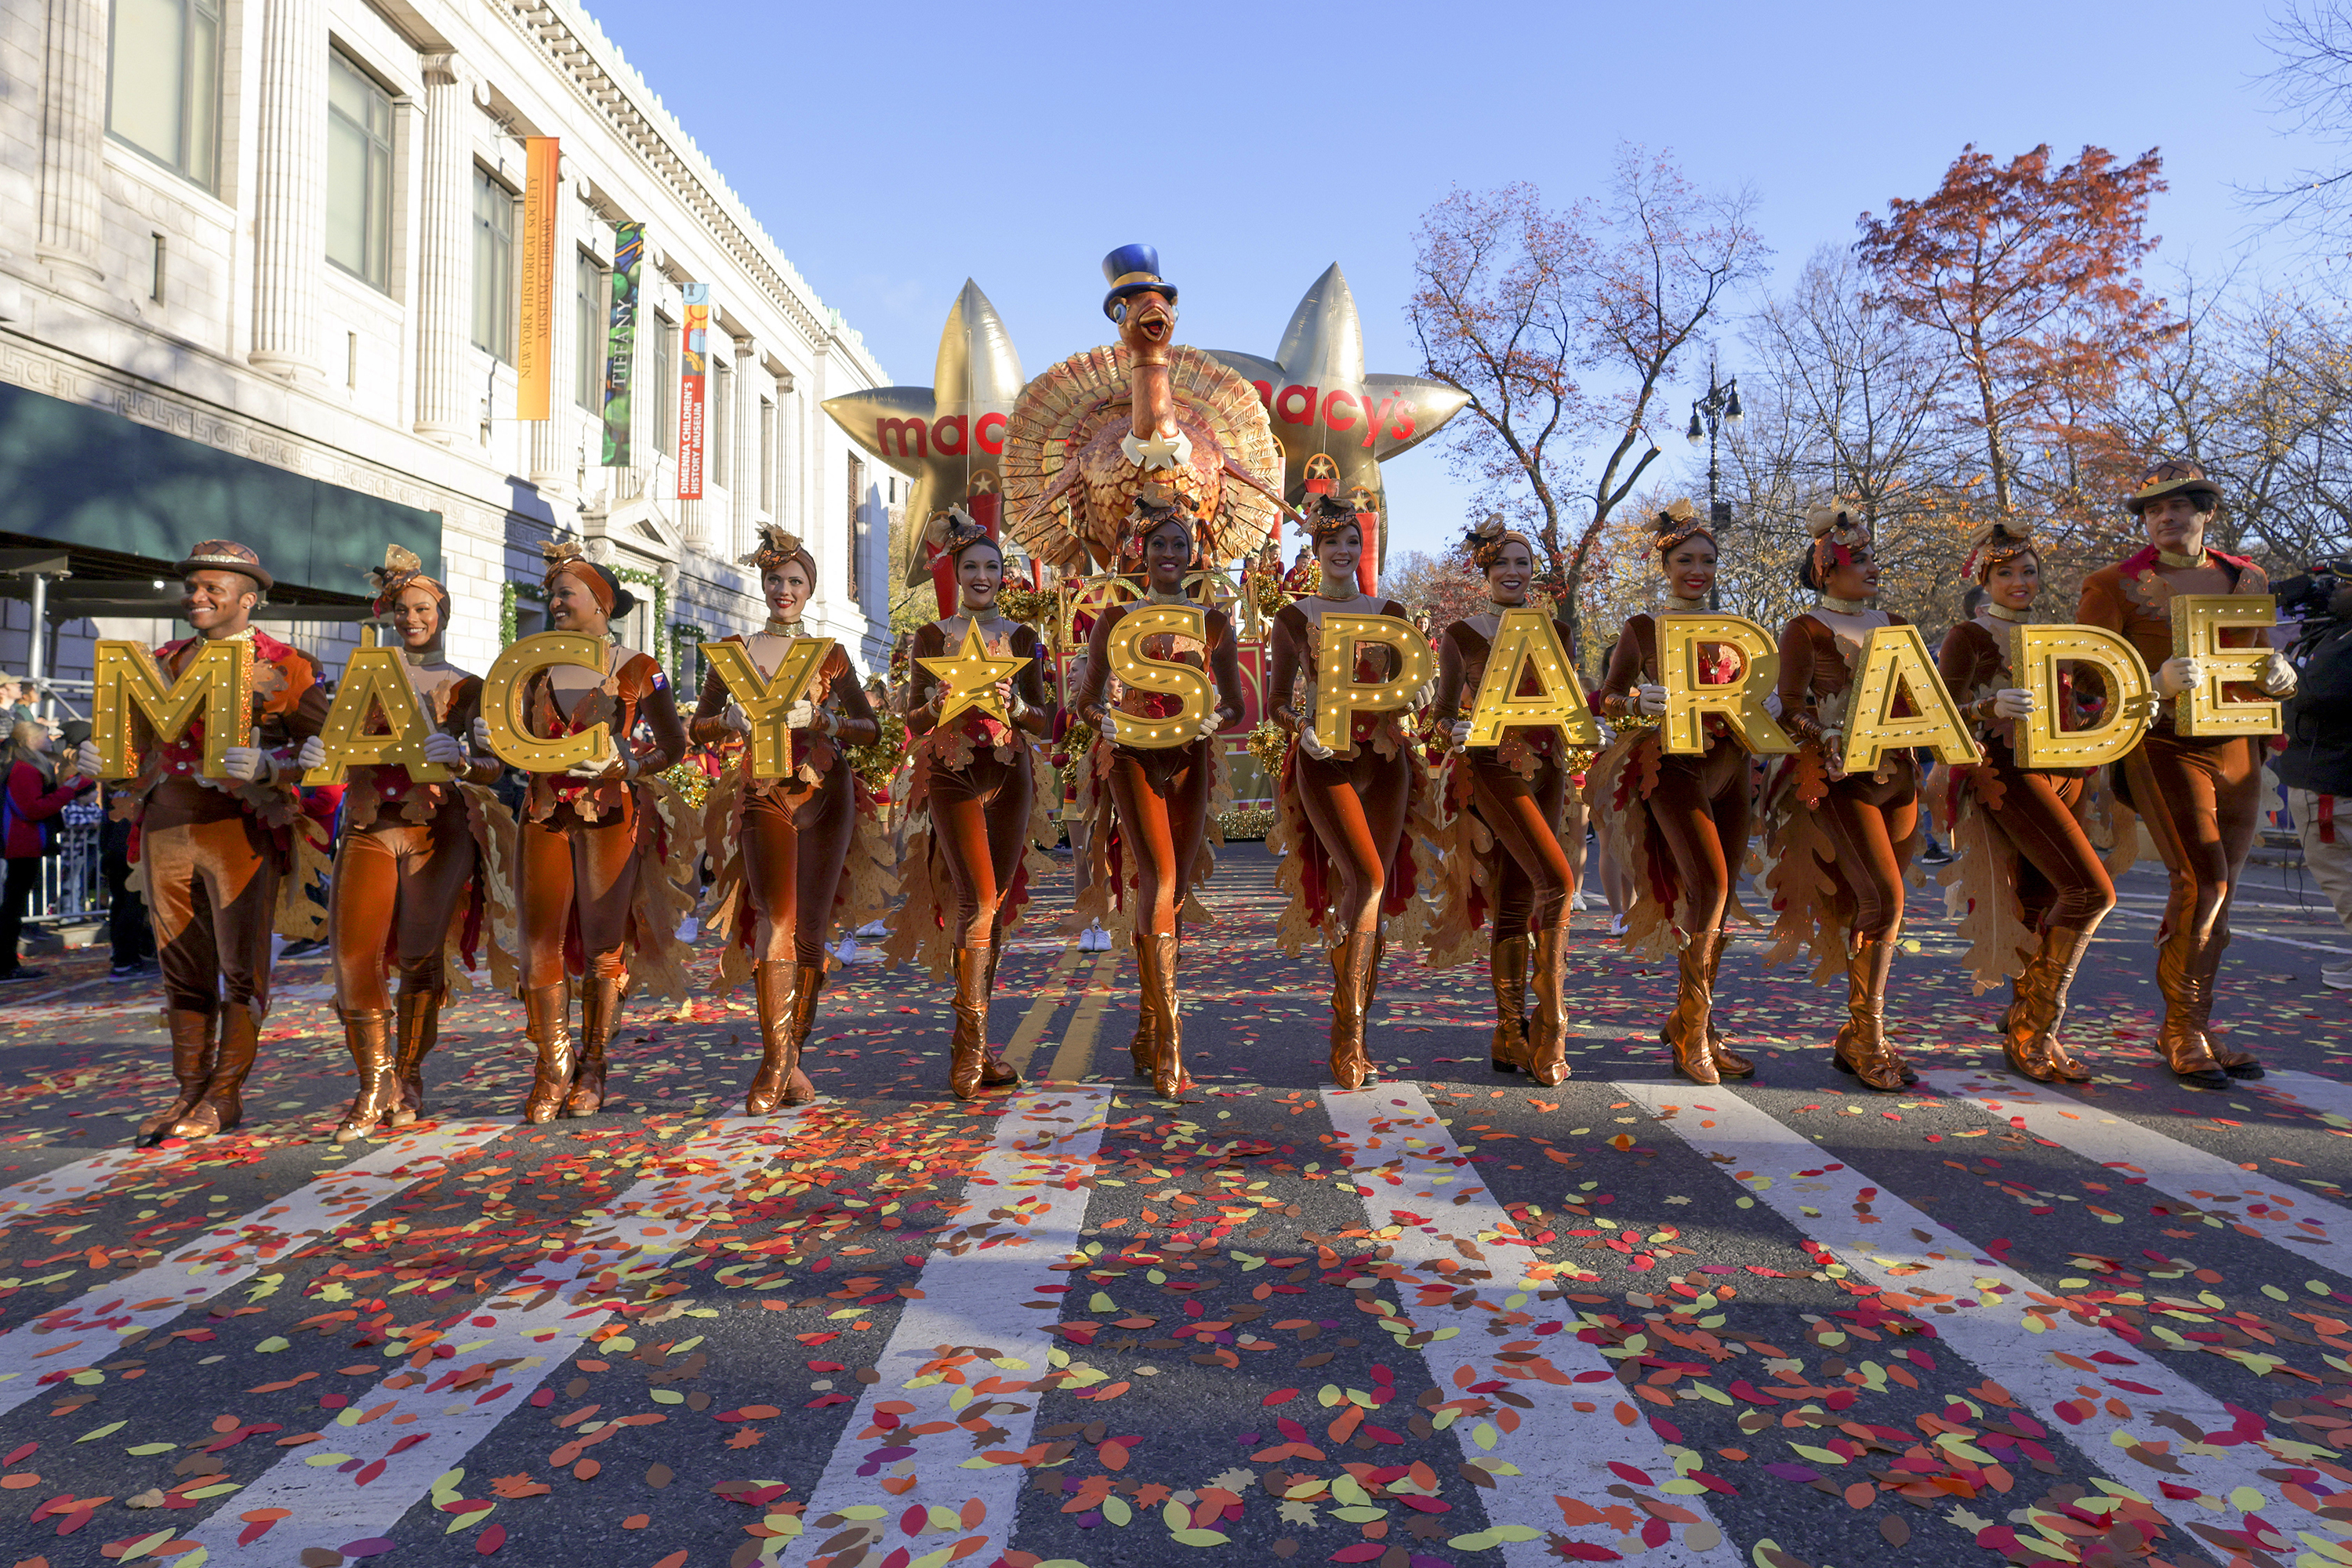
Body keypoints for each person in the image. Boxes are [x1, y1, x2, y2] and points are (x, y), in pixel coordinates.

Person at [74, 540, 328, 1140]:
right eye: (194, 587)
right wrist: (99, 759)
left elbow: (327, 752)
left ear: (249, 599)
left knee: (242, 967)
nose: (197, 597)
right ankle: (188, 1090)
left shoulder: (288, 665)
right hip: (165, 824)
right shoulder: (160, 661)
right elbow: (130, 749)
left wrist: (271, 767)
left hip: (241, 828)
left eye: (213, 588)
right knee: (180, 967)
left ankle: (225, 1093)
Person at [2078, 460, 2298, 1086]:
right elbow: (2087, 676)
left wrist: (2278, 674)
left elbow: (2256, 655)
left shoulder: (2246, 576)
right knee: (2200, 878)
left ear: (2207, 513)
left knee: (2221, 889)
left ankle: (2193, 1022)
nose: (2164, 518)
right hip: (2162, 742)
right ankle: (2180, 1031)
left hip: (2238, 746)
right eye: (2152, 510)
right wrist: (2150, 681)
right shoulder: (2112, 583)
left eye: (2178, 506)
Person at [296, 547, 515, 1142]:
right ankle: (373, 1085)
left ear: (442, 613)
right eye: (400, 609)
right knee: (353, 959)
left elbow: (498, 768)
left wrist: (468, 760)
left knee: (420, 956)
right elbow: (328, 751)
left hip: (436, 832)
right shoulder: (360, 683)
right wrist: (313, 756)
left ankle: (409, 1076)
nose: (410, 619)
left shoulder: (469, 687)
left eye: (421, 608)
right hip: (368, 827)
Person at [692, 525, 891, 1115]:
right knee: (775, 921)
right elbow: (696, 728)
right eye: (776, 579)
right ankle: (777, 1062)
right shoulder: (735, 653)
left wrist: (828, 722)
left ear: (809, 590)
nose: (785, 589)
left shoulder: (830, 654)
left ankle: (790, 1056)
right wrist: (725, 720)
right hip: (763, 793)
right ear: (763, 583)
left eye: (795, 581)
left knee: (810, 932)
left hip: (828, 796)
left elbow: (871, 729)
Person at [509, 540, 695, 1123]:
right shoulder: (529, 665)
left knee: (602, 945)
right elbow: (499, 733)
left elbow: (674, 745)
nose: (554, 600)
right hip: (543, 812)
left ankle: (592, 1066)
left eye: (565, 592)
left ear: (600, 601)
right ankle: (552, 1068)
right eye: (551, 593)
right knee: (537, 940)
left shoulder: (642, 668)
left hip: (611, 815)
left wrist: (631, 764)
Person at [1070, 494, 1249, 1098]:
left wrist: (1214, 720)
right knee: (1160, 878)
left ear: (1193, 553)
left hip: (1190, 759)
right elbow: (1084, 700)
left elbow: (1237, 705)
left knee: (1174, 887)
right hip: (1131, 758)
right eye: (1158, 544)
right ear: (1139, 552)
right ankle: (1171, 1039)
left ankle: (1149, 1024)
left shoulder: (1215, 622)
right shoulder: (1115, 620)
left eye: (1179, 544)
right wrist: (1106, 722)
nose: (1169, 554)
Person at [1932, 522, 2115, 1082]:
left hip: (2065, 773)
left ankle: (2022, 1025)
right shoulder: (1967, 636)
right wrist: (1987, 710)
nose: (2020, 582)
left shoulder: (2056, 637)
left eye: (2029, 571)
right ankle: (2037, 1027)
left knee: (2038, 902)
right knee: (2090, 891)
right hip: (2003, 773)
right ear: (1984, 578)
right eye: (2006, 572)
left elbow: (2081, 707)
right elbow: (1937, 718)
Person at [1266, 494, 1437, 1091]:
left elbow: (1414, 689)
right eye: (1332, 542)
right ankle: (1349, 1038)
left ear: (1362, 551)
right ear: (1315, 551)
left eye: (1352, 543)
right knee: (1366, 880)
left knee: (1372, 893)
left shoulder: (1392, 611)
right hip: (1325, 760)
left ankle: (1356, 1033)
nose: (1342, 552)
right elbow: (1276, 704)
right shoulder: (1293, 618)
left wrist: (1419, 700)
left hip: (1387, 761)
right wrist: (1301, 729)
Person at [1589, 500, 1759, 1084]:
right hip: (1671, 766)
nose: (1698, 570)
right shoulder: (1642, 628)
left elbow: (1758, 694)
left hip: (1734, 762)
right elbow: (1607, 696)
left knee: (1723, 892)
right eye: (1686, 559)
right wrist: (1637, 702)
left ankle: (1698, 1022)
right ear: (1665, 565)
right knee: (1707, 885)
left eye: (1708, 560)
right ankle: (1691, 1033)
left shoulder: (1737, 631)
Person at [887, 511, 1054, 1097]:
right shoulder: (931, 638)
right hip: (952, 775)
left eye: (992, 567)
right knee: (978, 899)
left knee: (995, 906)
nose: (982, 576)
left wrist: (1017, 709)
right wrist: (933, 704)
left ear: (1003, 576)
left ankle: (977, 1046)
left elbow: (1047, 719)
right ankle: (969, 1047)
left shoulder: (1026, 639)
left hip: (1010, 778)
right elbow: (909, 718)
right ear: (955, 573)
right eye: (971, 567)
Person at [1759, 503, 1925, 1093]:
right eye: (1860, 558)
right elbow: (1792, 704)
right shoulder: (1805, 627)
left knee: (1874, 910)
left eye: (1875, 556)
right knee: (1886, 896)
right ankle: (1869, 1039)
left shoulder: (1897, 620)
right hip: (1833, 777)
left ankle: (1857, 1034)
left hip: (1898, 775)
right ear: (1826, 568)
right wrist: (1821, 734)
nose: (1873, 566)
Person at [1421, 515, 1580, 1084]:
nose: (1514, 572)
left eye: (1523, 562)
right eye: (1503, 562)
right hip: (1491, 767)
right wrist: (1453, 731)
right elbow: (1438, 716)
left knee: (1517, 897)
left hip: (1550, 766)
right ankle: (1552, 1023)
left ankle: (1509, 1032)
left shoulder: (1555, 633)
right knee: (1557, 882)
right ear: (1484, 570)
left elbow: (1575, 704)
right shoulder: (1463, 635)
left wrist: (1607, 719)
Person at [2274, 561, 2352, 989]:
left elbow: (2313, 694)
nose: (2333, 591)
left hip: (2330, 784)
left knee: (2341, 876)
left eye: (2343, 585)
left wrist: (2283, 672)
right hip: (2332, 777)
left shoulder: (2343, 646)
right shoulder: (2334, 634)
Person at [0, 721, 93, 982]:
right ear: (31, 741)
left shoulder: (28, 766)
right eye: (45, 735)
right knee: (13, 906)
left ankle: (7, 962)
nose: (51, 738)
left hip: (24, 842)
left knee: (14, 904)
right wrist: (67, 791)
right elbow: (32, 809)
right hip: (21, 842)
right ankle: (6, 964)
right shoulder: (25, 769)